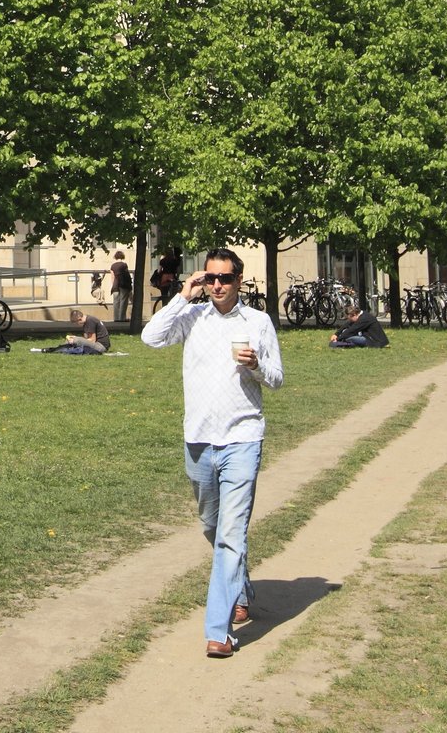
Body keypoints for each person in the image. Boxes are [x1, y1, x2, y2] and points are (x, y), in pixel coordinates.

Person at [143, 245, 282, 661]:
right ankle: (239, 585)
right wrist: (181, 296)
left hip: (242, 439)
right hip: (199, 440)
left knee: (230, 534)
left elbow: (276, 379)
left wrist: (255, 364)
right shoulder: (191, 317)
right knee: (211, 525)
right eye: (210, 278)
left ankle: (218, 632)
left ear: (239, 281)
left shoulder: (258, 322)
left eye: (224, 278)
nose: (217, 285)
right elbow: (151, 338)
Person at [40, 308, 111, 354]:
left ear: (79, 319)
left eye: (76, 323)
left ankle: (58, 350)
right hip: (97, 345)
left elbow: (92, 340)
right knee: (73, 339)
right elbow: (87, 339)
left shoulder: (90, 321)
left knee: (76, 339)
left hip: (101, 347)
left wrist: (77, 339)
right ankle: (59, 349)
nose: (77, 325)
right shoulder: (86, 322)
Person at [109, 251, 133, 325]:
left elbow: (112, 277)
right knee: (123, 301)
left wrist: (113, 286)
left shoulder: (112, 266)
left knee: (116, 302)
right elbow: (126, 275)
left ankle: (116, 318)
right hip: (123, 285)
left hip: (115, 285)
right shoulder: (124, 265)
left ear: (115, 257)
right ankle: (121, 318)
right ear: (122, 256)